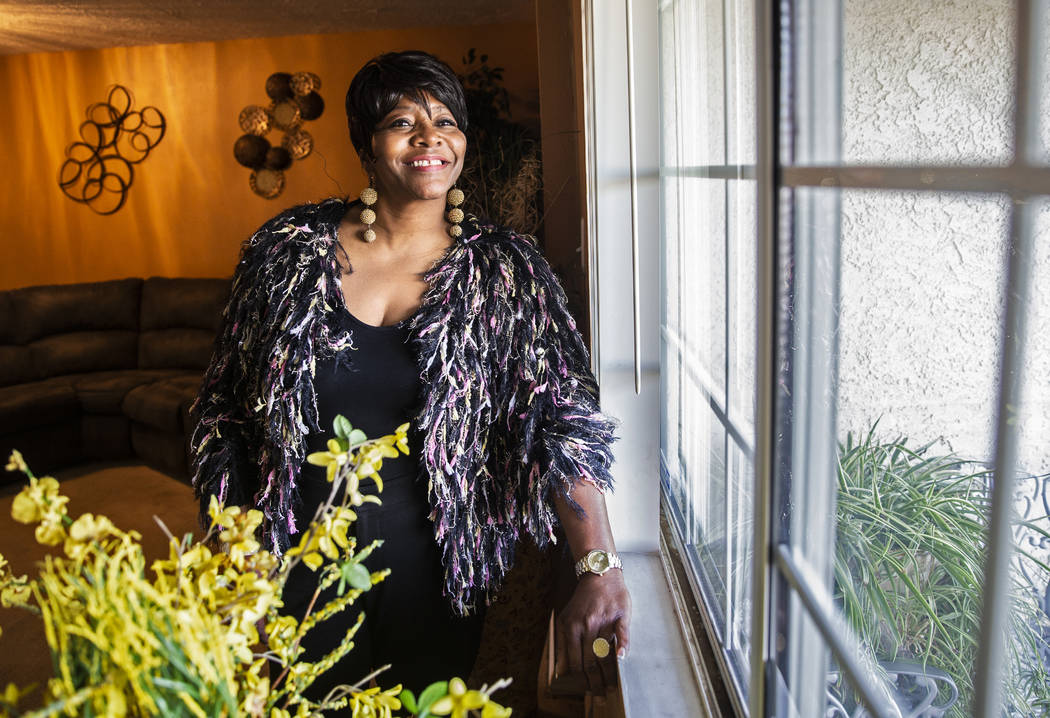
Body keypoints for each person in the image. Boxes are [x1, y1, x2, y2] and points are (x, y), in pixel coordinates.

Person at [191, 50, 630, 710]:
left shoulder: (505, 273)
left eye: (446, 120)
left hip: (436, 574)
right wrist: (232, 551)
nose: (430, 137)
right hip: (295, 565)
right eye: (403, 120)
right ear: (368, 145)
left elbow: (563, 423)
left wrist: (598, 567)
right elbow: (221, 412)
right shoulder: (286, 252)